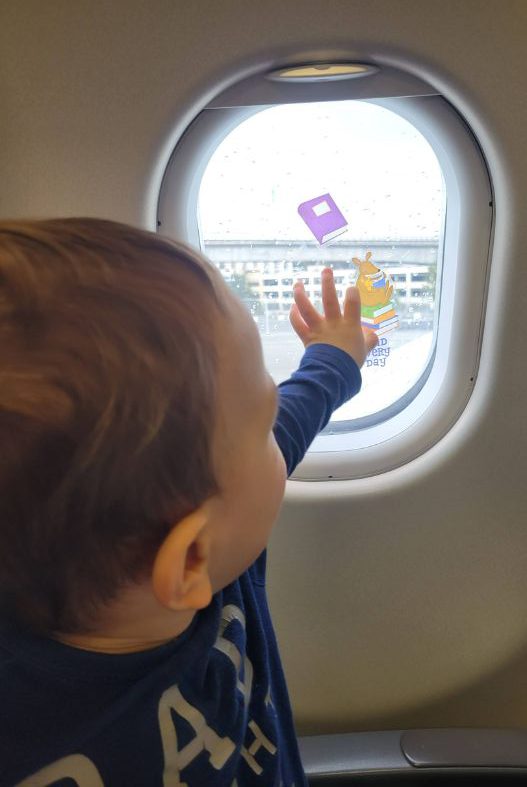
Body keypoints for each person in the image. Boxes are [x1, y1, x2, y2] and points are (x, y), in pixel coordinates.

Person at [0, 218, 378, 786]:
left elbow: (289, 424)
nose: (278, 433)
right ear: (191, 558)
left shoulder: (183, 537)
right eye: (265, 424)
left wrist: (333, 360)